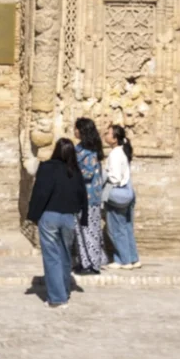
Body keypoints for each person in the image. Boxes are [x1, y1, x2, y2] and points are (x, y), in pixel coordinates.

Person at [27, 138, 88, 309]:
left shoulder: (47, 167)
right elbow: (82, 194)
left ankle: (57, 297)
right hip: (68, 217)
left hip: (50, 216)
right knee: (65, 254)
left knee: (52, 256)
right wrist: (83, 218)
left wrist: (34, 215)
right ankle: (65, 290)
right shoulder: (75, 171)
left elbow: (40, 192)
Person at [103, 123, 141, 270]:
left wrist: (103, 176)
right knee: (125, 227)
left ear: (115, 138)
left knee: (115, 228)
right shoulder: (122, 152)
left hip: (117, 192)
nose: (105, 135)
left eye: (108, 133)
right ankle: (132, 258)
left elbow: (115, 178)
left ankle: (124, 260)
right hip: (127, 192)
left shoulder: (115, 154)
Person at [73, 118, 106, 275]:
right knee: (79, 230)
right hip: (78, 196)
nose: (75, 131)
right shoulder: (78, 148)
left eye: (77, 128)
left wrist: (72, 171)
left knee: (90, 230)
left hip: (89, 198)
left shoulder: (90, 152)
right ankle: (83, 261)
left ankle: (93, 264)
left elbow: (88, 173)